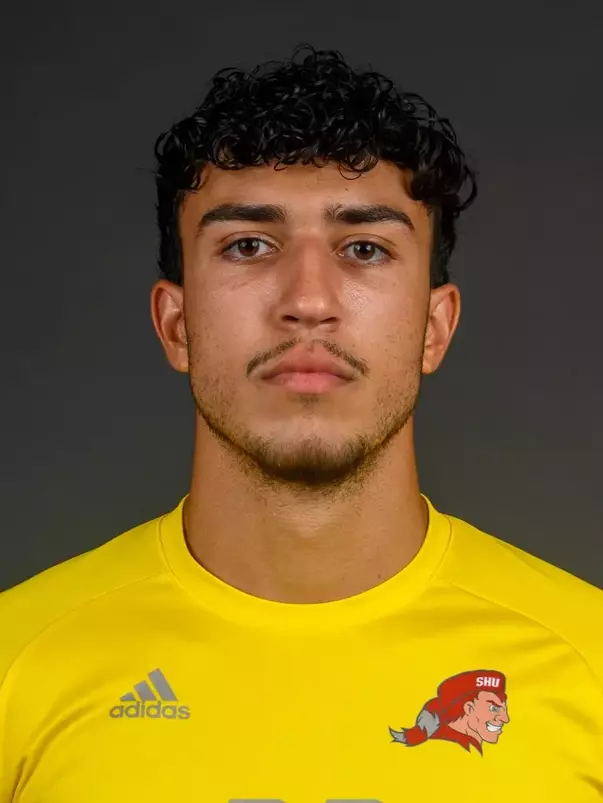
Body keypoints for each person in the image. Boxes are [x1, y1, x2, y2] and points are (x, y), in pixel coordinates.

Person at [0, 45, 601, 803]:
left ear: (433, 327)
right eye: (248, 245)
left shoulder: (589, 666)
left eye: (363, 248)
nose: (308, 299)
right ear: (176, 323)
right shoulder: (15, 665)